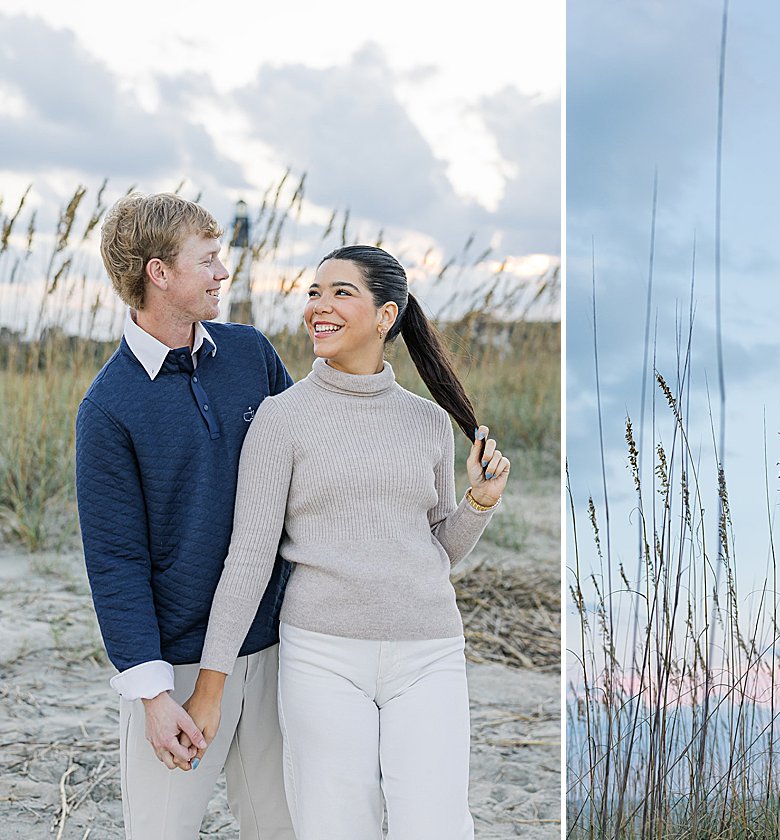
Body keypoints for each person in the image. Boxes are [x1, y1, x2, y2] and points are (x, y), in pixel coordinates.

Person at [181, 244, 510, 839]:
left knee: (434, 824)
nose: (319, 307)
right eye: (314, 292)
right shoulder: (281, 418)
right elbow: (249, 559)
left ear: (386, 317)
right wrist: (211, 684)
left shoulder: (429, 422)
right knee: (336, 825)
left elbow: (435, 550)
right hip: (322, 656)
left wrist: (478, 504)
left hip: (429, 651)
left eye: (341, 292)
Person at [75, 192, 295, 839]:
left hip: (276, 647)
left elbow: (308, 457)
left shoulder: (251, 354)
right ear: (159, 273)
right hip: (177, 670)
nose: (222, 272)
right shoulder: (108, 408)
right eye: (207, 259)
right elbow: (116, 561)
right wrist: (151, 694)